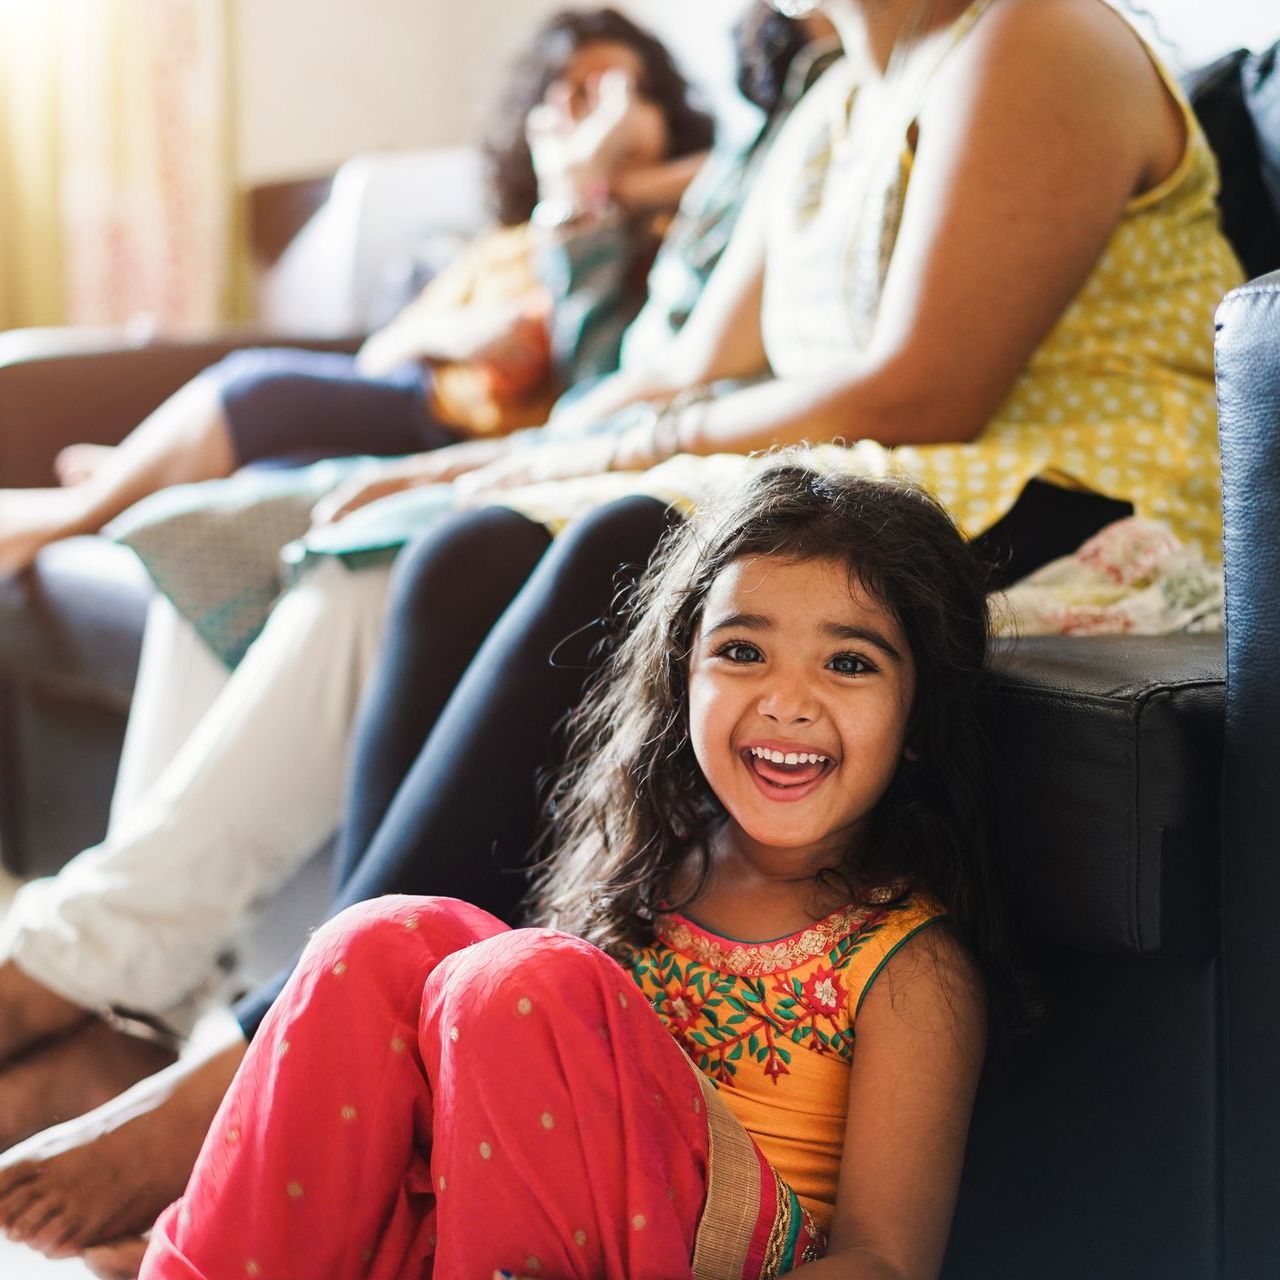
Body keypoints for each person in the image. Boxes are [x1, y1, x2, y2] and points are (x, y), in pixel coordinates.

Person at [0, 0, 1245, 1260]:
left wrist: (594, 462)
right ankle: (305, 1069)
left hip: (1070, 503)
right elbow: (681, 372)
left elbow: (927, 382)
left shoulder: (1035, 37)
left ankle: (235, 1069)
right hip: (877, 460)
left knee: (620, 536)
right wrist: (485, 466)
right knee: (460, 542)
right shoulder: (828, 103)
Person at [0, 3, 828, 1157]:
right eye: (568, 92)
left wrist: (601, 204)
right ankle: (138, 1002)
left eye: (616, 89)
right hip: (578, 436)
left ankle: (104, 977)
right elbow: (617, 373)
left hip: (616, 450)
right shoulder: (757, 144)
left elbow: (621, 374)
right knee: (208, 539)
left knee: (383, 546)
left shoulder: (765, 159)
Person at [134, 462, 994, 1278]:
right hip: (524, 1234)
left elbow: (887, 1261)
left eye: (849, 663)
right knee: (384, 939)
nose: (785, 699)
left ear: (919, 719)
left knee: (524, 978)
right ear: (681, 676)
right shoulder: (655, 867)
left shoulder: (907, 966)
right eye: (742, 652)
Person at [0, 6, 714, 579]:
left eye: (622, 95)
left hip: (483, 436)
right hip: (417, 399)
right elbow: (382, 354)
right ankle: (130, 481)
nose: (599, 118)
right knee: (267, 438)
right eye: (580, 97)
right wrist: (454, 335)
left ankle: (87, 503)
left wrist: (602, 186)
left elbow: (598, 370)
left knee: (258, 392)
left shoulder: (667, 233)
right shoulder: (504, 246)